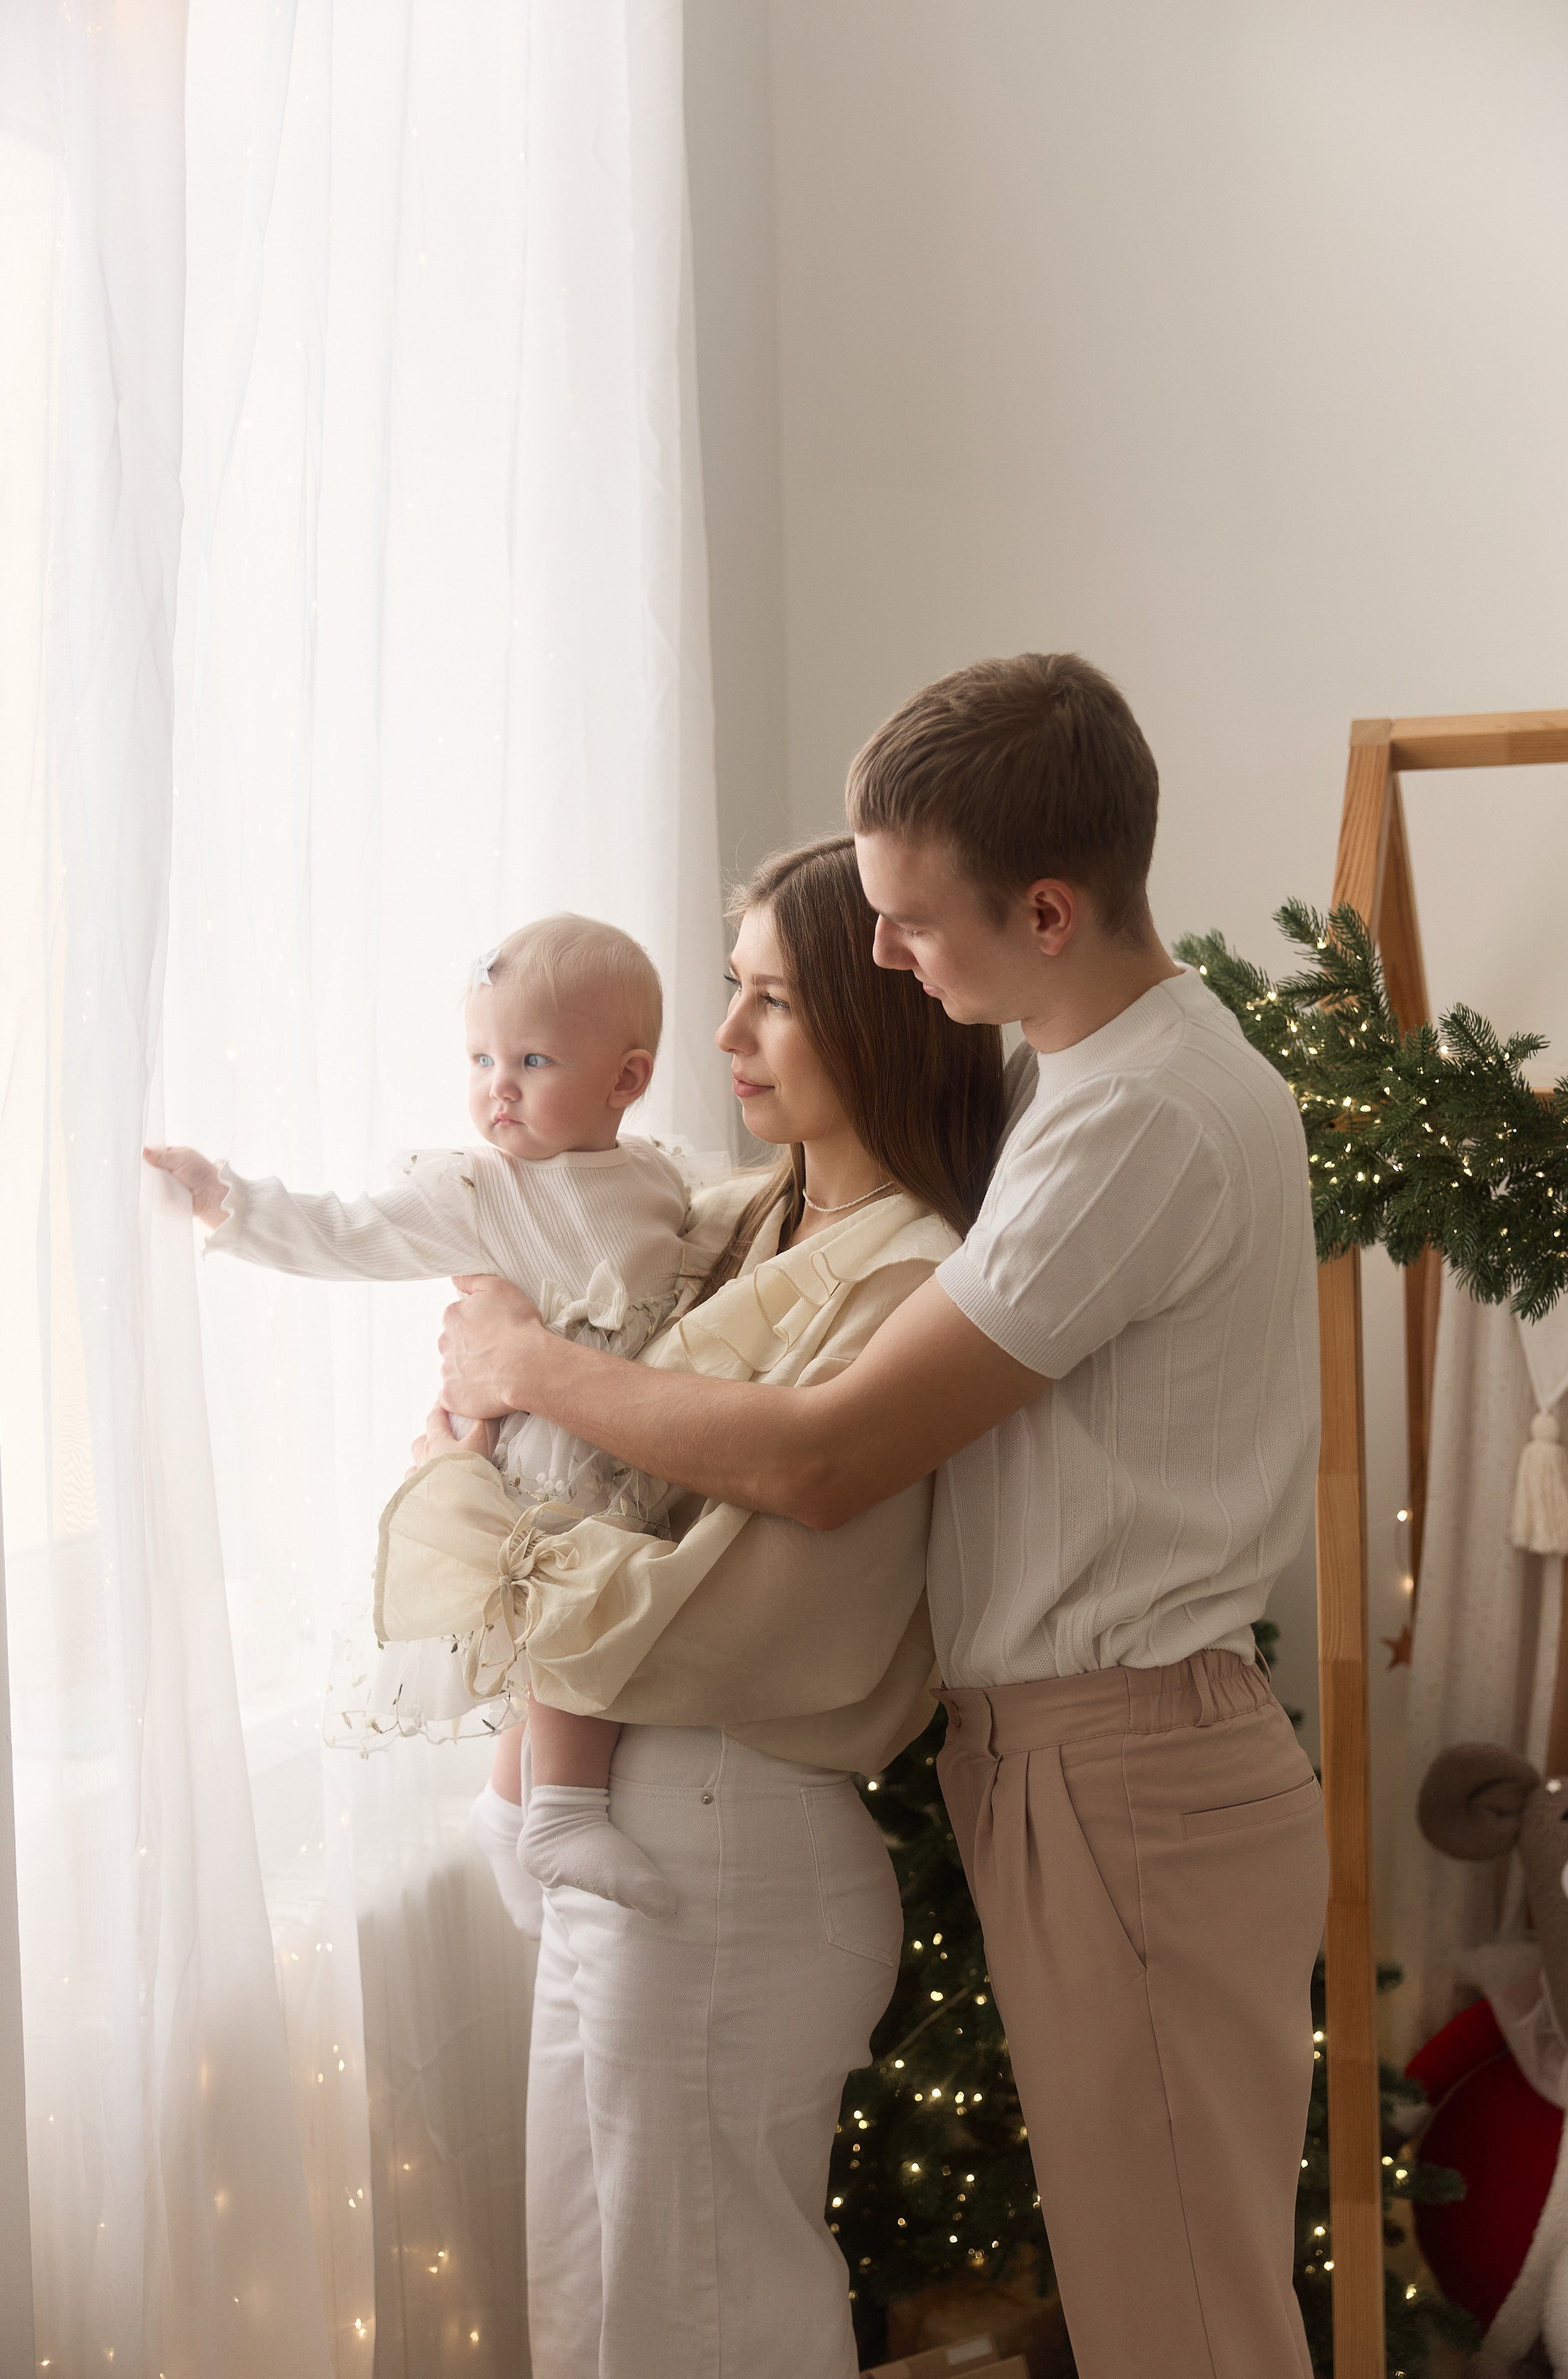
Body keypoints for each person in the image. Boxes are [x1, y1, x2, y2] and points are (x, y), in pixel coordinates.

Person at [437, 655, 1329, 2379]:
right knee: (1168, 2297)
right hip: (1080, 1757)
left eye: (911, 922)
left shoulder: (1132, 1117)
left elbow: (828, 1455)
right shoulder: (1097, 1081)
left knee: (1185, 2322)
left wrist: (530, 1368)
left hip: (1123, 1757)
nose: (889, 956)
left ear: (1050, 911)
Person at [387, 834, 1004, 2378]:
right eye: (730, 993)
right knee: (596, 2296)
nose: (722, 1041)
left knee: (696, 2313)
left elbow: (671, 1559)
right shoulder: (719, 1222)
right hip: (627, 1835)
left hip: (731, 1840)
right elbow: (518, 1454)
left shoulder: (912, 1275)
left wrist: (519, 1387)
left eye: (769, 1003)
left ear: (881, 1017)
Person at [144, 911, 697, 1919]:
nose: (499, 1085)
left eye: (533, 1059)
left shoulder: (661, 1175)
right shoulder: (479, 1190)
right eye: (482, 1057)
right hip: (546, 1466)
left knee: (603, 1627)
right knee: (572, 1620)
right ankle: (560, 1817)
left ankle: (504, 1808)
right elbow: (350, 1231)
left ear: (626, 1080)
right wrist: (231, 1199)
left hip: (635, 1442)